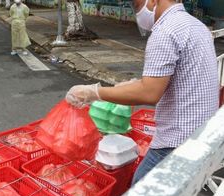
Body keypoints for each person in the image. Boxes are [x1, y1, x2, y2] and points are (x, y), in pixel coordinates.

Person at [65, 0, 219, 184]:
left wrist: (93, 92)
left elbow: (149, 93)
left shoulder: (165, 31)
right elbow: (177, 77)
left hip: (177, 141)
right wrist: (127, 86)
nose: (136, 12)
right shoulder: (196, 25)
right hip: (204, 133)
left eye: (136, 6)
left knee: (141, 192)